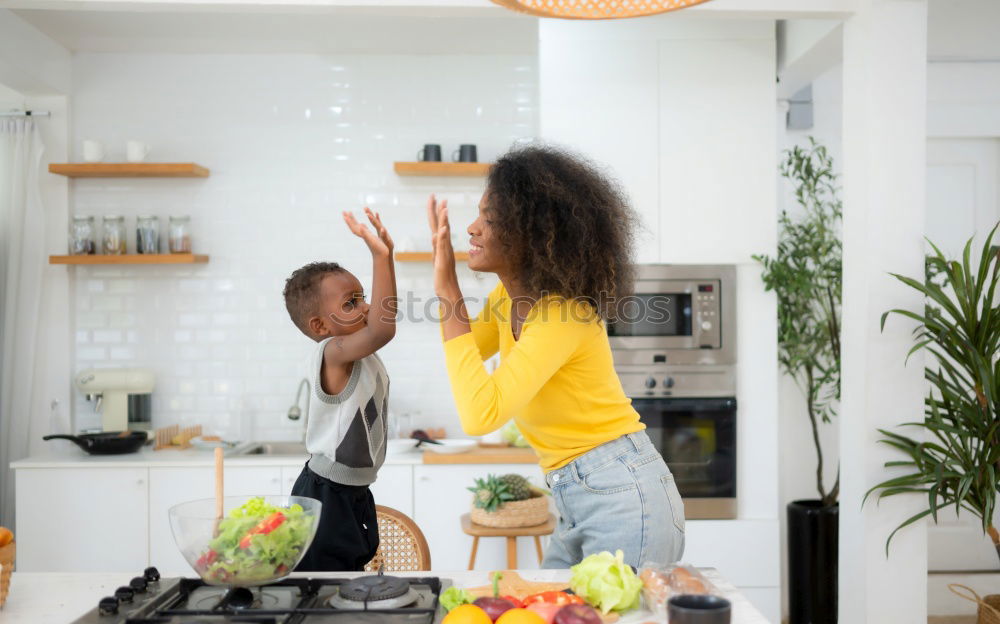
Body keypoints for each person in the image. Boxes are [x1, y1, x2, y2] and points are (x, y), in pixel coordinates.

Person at [428, 145, 685, 568]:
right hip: (576, 492)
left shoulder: (564, 313)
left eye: (489, 218)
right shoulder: (507, 298)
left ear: (529, 232)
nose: (472, 228)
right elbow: (465, 351)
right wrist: (447, 289)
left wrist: (448, 290)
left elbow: (480, 413)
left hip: (623, 493)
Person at [282, 207, 396, 571]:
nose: (364, 307)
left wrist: (387, 257)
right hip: (324, 493)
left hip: (352, 492)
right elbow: (383, 327)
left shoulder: (363, 355)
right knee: (321, 587)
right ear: (320, 326)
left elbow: (378, 327)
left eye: (362, 297)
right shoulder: (333, 353)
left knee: (346, 579)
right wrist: (381, 255)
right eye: (350, 303)